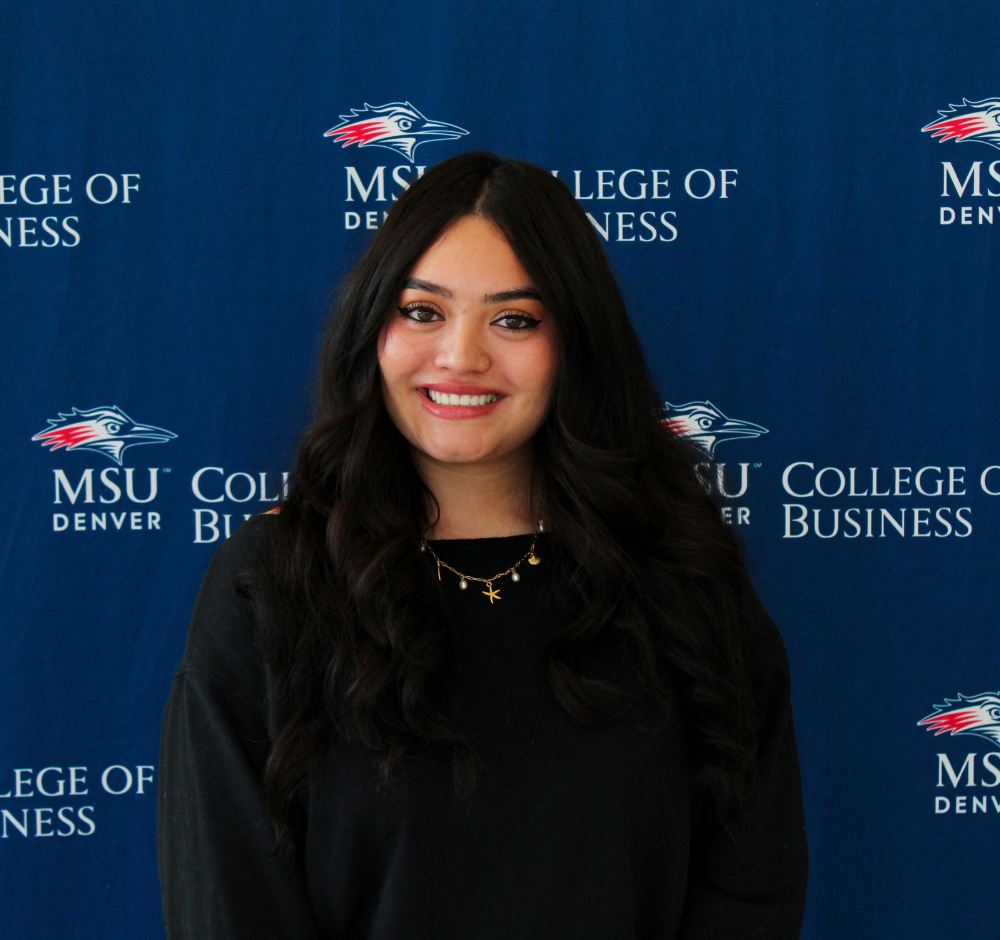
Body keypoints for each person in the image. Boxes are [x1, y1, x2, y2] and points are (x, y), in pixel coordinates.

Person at [157, 152, 808, 939]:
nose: (461, 356)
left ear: (575, 344)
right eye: (423, 311)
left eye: (514, 319)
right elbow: (229, 907)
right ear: (372, 328)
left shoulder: (681, 575)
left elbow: (751, 885)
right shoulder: (270, 582)